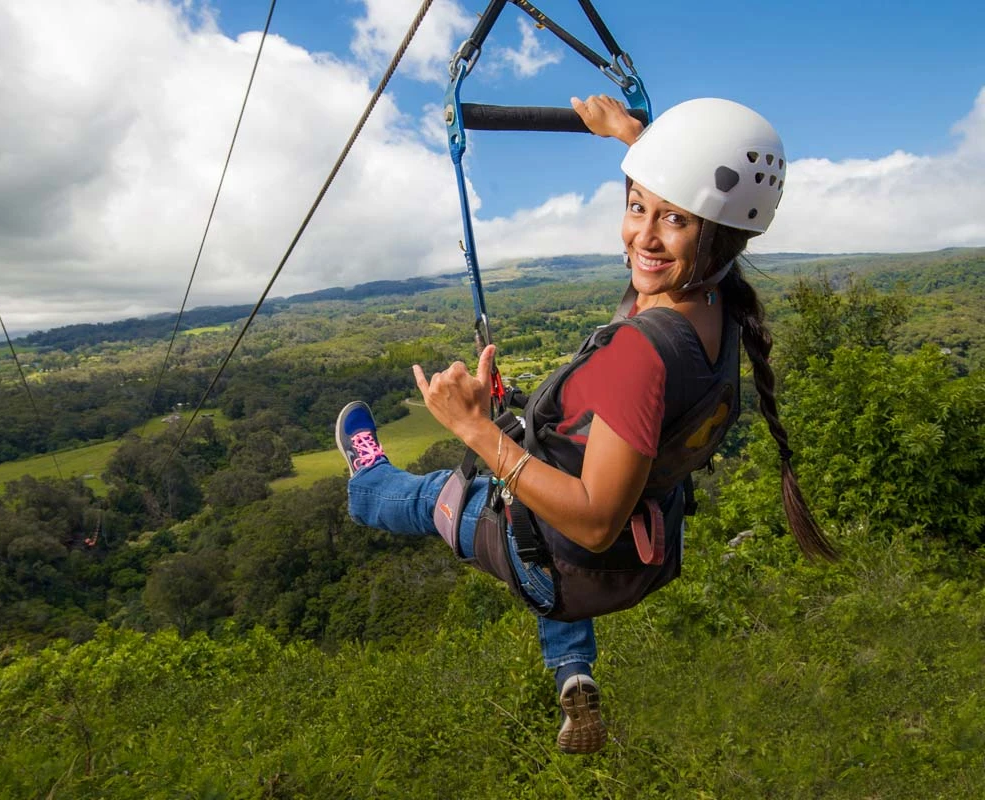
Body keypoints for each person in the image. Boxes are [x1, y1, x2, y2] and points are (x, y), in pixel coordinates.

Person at [336, 95, 836, 755]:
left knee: (440, 495)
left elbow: (595, 517)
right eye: (637, 208)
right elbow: (677, 223)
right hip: (630, 561)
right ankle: (573, 669)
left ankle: (366, 482)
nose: (643, 237)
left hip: (572, 548)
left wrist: (475, 429)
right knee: (545, 511)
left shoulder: (642, 357)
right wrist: (634, 137)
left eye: (674, 220)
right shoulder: (717, 311)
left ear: (715, 235)